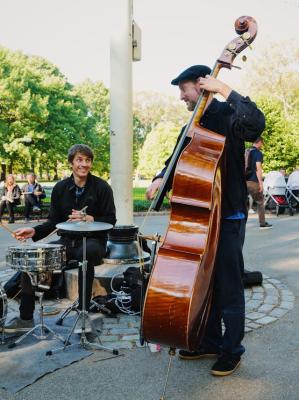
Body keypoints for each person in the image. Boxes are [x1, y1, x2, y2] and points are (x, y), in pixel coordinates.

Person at [146, 65, 265, 376]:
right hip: (201, 216)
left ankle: (232, 350)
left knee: (228, 283)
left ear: (201, 86)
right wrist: (160, 178)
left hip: (229, 213)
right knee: (206, 281)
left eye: (184, 90)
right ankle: (210, 341)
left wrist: (223, 87)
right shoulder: (192, 123)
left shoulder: (228, 113)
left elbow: (256, 124)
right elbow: (176, 159)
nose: (181, 97)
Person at [4, 144, 116, 334]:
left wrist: (89, 218)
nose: (84, 164)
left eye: (88, 160)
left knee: (85, 256)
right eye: (80, 160)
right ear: (71, 162)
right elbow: (54, 221)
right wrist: (33, 230)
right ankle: (25, 318)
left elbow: (111, 219)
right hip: (66, 241)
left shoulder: (102, 187)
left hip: (94, 241)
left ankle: (84, 314)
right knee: (33, 257)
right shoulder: (60, 188)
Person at [246, 137, 272, 229]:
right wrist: (261, 183)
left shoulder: (246, 151)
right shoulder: (258, 153)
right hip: (253, 181)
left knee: (241, 203)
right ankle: (263, 223)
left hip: (243, 180)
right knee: (260, 202)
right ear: (259, 142)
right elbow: (258, 168)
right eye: (262, 143)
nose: (262, 145)